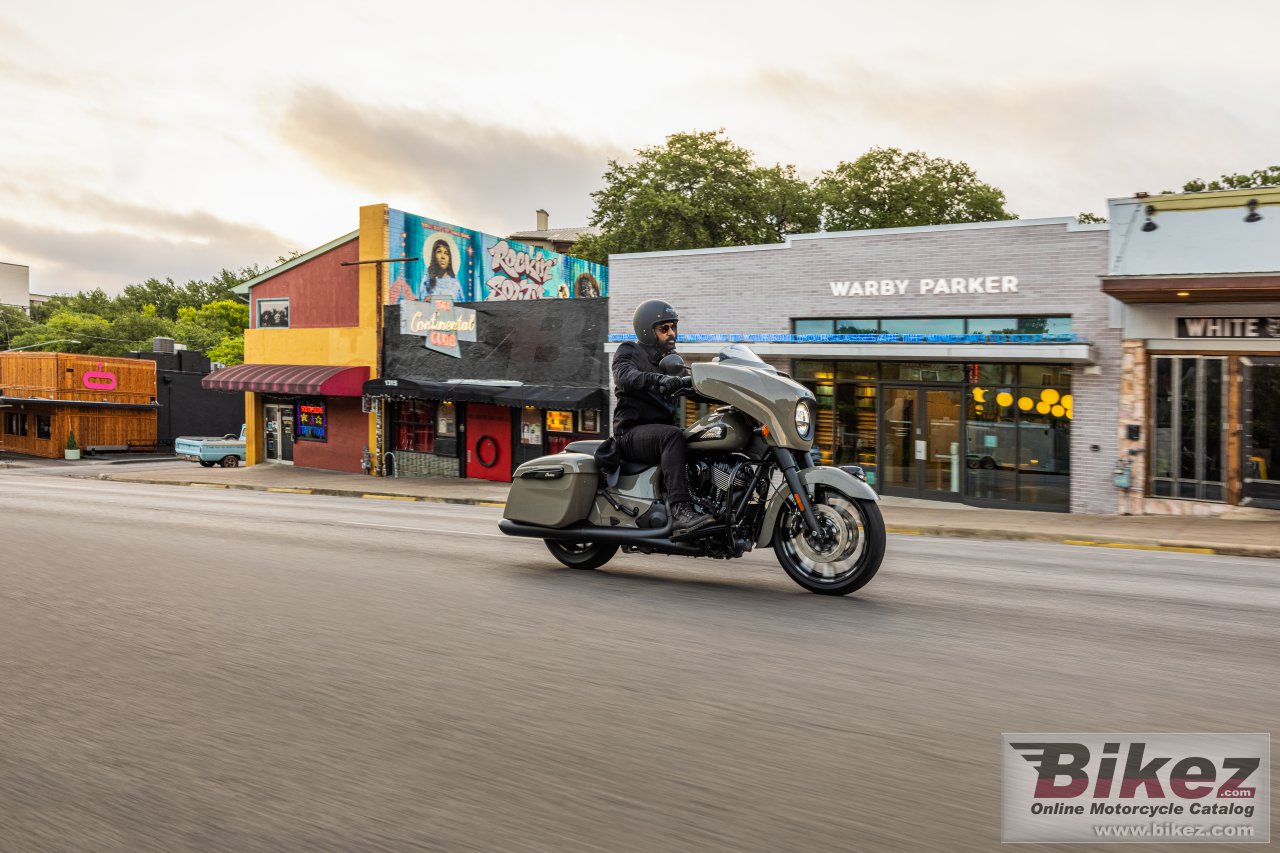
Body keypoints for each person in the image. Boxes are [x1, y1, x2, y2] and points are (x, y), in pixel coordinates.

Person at [608, 300, 714, 537]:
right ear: (648, 330)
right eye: (664, 328)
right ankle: (679, 511)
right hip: (631, 434)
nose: (671, 333)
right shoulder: (628, 351)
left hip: (657, 435)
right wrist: (658, 380)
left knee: (704, 436)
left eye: (673, 327)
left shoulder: (671, 362)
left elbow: (694, 389)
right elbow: (626, 376)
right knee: (673, 436)